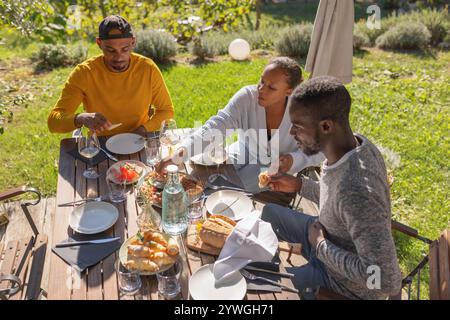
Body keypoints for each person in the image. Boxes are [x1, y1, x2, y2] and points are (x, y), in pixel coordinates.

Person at [262, 76, 402, 300]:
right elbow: (339, 200)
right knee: (267, 213)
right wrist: (299, 185)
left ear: (326, 126)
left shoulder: (357, 191)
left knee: (264, 287)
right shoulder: (354, 145)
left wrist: (320, 246)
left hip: (338, 283)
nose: (291, 133)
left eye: (297, 127)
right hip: (327, 235)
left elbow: (384, 279)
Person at [162, 57, 324, 175]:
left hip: (277, 171)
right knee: (205, 177)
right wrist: (180, 153)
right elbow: (217, 126)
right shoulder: (247, 96)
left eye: (271, 87)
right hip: (244, 152)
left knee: (234, 188)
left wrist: (293, 160)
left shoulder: (305, 110)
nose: (261, 89)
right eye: (261, 81)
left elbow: (322, 149)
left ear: (289, 91)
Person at [47, 15, 174, 136]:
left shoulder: (147, 68)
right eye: (110, 50)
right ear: (99, 43)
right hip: (100, 144)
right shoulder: (84, 72)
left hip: (139, 139)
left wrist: (142, 131)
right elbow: (53, 122)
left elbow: (166, 111)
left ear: (133, 42)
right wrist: (80, 118)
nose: (119, 57)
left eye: (125, 49)